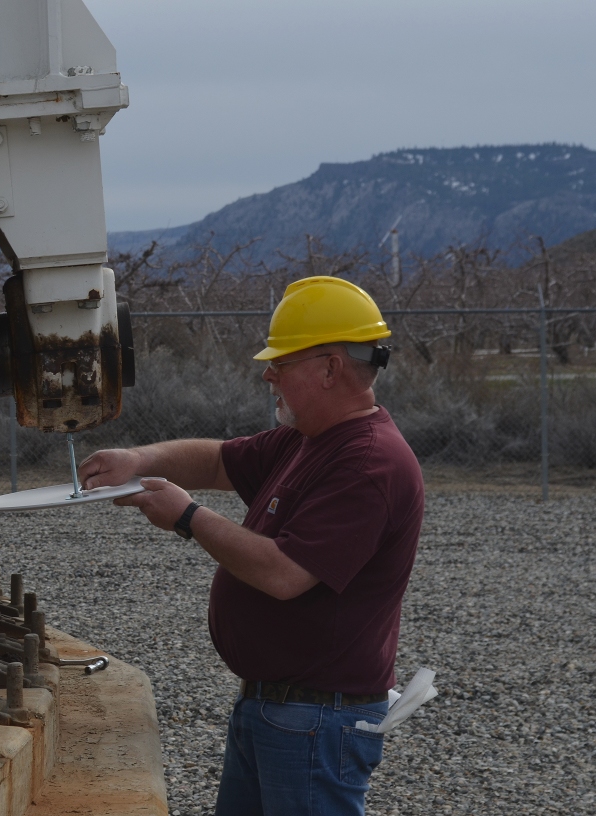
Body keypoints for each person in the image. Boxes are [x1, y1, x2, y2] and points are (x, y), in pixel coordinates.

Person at [78, 276, 424, 816]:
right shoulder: (309, 439)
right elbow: (218, 460)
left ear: (330, 368)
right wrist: (140, 461)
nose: (269, 375)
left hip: (314, 720)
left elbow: (286, 573)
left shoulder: (367, 462)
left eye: (281, 363)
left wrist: (187, 516)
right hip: (278, 709)